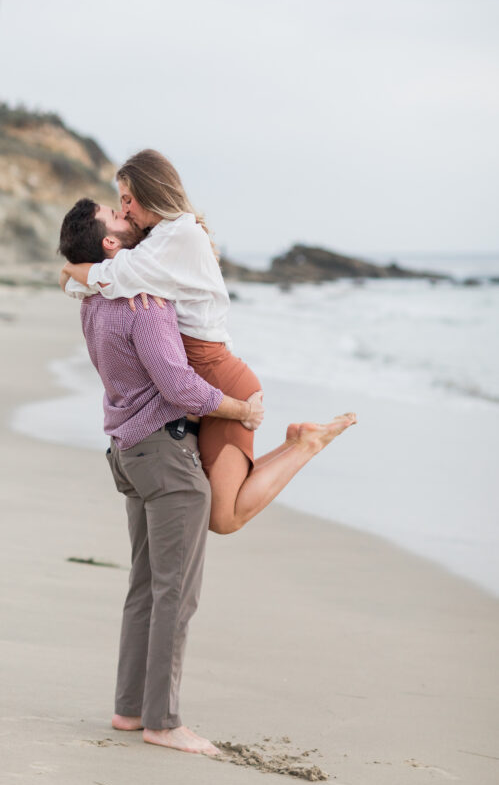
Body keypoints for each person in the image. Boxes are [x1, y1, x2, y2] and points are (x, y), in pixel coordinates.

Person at [58, 199, 264, 756]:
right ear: (109, 244)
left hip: (128, 450)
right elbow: (179, 386)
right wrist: (239, 411)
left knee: (146, 588)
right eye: (117, 215)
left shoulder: (95, 300)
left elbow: (78, 280)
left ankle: (130, 710)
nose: (129, 217)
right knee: (176, 591)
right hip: (165, 456)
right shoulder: (140, 302)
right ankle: (164, 722)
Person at [61, 149, 357, 535]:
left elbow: (107, 276)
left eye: (128, 200)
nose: (126, 209)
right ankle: (297, 442)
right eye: (121, 202)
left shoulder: (178, 235)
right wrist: (73, 271)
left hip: (218, 377)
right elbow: (93, 280)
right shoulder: (157, 240)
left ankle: (306, 446)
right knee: (220, 514)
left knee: (224, 518)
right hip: (199, 378)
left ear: (153, 194)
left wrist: (69, 266)